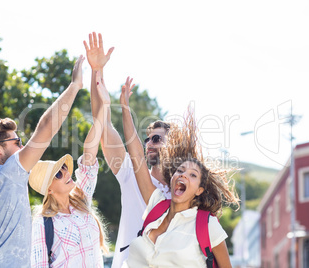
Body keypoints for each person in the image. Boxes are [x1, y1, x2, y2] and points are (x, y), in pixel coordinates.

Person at [0, 56, 86, 268]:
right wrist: (75, 85)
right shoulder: (10, 173)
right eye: (17, 142)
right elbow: (46, 127)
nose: (23, 147)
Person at [120, 82, 240, 267]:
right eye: (180, 171)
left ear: (199, 190)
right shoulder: (157, 206)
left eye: (193, 175)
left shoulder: (206, 225)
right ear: (173, 177)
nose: (183, 175)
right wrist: (125, 109)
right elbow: (136, 155)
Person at [84, 32, 172, 268]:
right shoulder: (129, 174)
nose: (149, 143)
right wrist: (96, 71)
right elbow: (102, 124)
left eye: (156, 139)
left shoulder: (182, 193)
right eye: (147, 139)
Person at [29, 71, 110, 267]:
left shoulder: (82, 201)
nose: (66, 173)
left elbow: (89, 153)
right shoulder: (42, 223)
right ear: (49, 189)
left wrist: (105, 106)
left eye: (64, 168)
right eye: (58, 173)